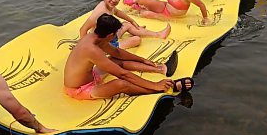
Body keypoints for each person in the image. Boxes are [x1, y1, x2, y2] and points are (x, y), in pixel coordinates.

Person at [64, 14, 194, 100]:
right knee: (121, 84)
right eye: (115, 34)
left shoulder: (96, 37)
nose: (115, 36)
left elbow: (117, 53)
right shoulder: (91, 49)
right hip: (79, 89)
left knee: (115, 61)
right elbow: (123, 75)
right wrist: (154, 85)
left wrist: (142, 59)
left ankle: (161, 68)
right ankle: (163, 90)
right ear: (110, 35)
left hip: (91, 76)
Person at [79, 0, 170, 49]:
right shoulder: (100, 11)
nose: (113, 0)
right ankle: (139, 34)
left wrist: (132, 21)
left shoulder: (109, 6)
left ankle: (158, 35)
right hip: (104, 45)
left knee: (127, 24)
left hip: (110, 36)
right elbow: (83, 29)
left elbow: (118, 12)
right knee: (136, 40)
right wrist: (87, 49)